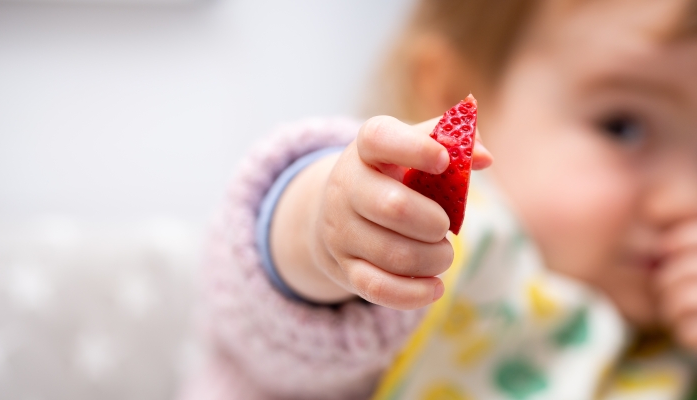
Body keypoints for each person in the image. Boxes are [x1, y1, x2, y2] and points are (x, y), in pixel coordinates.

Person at [181, 0, 697, 398]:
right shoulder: (440, 242)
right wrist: (326, 231)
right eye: (623, 128)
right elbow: (260, 317)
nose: (685, 196)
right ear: (457, 91)